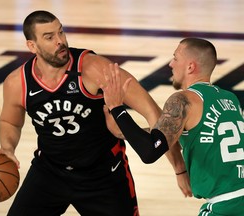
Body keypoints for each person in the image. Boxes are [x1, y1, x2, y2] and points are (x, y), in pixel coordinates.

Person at [0, 10, 190, 216]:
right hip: (50, 172)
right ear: (32, 46)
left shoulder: (94, 68)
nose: (59, 41)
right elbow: (10, 122)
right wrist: (7, 148)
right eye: (49, 37)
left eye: (61, 32)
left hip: (103, 175)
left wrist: (179, 169)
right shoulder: (18, 82)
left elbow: (153, 112)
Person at [100, 37, 244, 215]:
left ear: (190, 67)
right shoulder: (230, 99)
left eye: (175, 58)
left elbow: (150, 151)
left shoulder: (183, 100)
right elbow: (183, 134)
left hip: (226, 205)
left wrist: (117, 109)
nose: (170, 64)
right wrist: (123, 131)